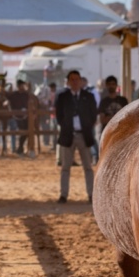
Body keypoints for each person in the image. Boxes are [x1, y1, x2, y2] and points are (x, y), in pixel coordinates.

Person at [55, 69, 98, 204]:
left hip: (83, 135)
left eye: (77, 79)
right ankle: (63, 195)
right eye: (72, 79)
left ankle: (91, 194)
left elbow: (93, 115)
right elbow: (59, 116)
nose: (74, 82)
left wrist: (87, 126)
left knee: (88, 167)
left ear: (80, 81)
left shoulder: (88, 96)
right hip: (68, 135)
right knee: (65, 167)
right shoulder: (62, 97)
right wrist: (66, 126)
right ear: (68, 82)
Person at [8, 79, 30, 154]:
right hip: (16, 116)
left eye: (23, 85)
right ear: (18, 86)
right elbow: (7, 99)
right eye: (21, 85)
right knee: (21, 131)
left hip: (25, 116)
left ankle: (20, 147)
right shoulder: (13, 95)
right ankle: (19, 148)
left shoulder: (26, 94)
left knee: (27, 131)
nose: (22, 87)